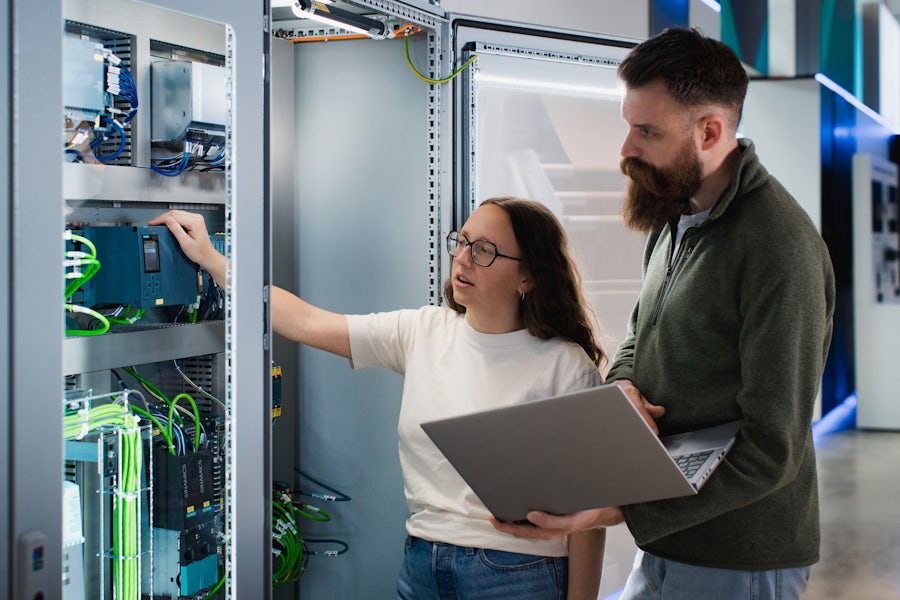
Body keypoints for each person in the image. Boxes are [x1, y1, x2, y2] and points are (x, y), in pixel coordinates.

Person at [492, 27, 836, 600]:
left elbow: (772, 448)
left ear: (710, 131)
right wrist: (621, 389)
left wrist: (617, 508)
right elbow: (638, 336)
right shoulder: (676, 218)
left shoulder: (779, 246)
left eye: (647, 131)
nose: (626, 148)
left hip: (740, 561)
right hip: (668, 548)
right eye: (629, 125)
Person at [150, 197, 608, 599]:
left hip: (517, 572)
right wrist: (214, 262)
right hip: (422, 562)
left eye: (484, 250)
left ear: (527, 275)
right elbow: (308, 321)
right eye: (462, 241)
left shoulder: (565, 366)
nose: (463, 259)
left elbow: (589, 513)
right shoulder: (424, 331)